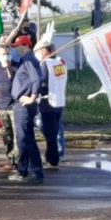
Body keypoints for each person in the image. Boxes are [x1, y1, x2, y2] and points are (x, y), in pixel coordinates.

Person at [8, 35, 44, 183]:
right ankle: (32, 170)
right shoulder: (26, 59)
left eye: (17, 46)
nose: (15, 49)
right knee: (27, 138)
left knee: (24, 139)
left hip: (24, 104)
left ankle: (26, 170)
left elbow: (37, 79)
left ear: (24, 46)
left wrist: (32, 97)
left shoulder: (29, 60)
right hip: (22, 104)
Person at [35, 41, 68, 170]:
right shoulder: (60, 63)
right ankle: (51, 157)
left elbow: (41, 80)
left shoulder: (45, 64)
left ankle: (53, 160)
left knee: (50, 134)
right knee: (53, 132)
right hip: (59, 102)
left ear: (45, 51)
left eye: (39, 51)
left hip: (46, 103)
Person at [0, 45, 18, 173]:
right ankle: (10, 160)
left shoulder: (16, 68)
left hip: (15, 107)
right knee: (7, 136)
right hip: (2, 108)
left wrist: (10, 71)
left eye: (8, 54)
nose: (6, 56)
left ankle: (19, 162)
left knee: (17, 137)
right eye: (3, 54)